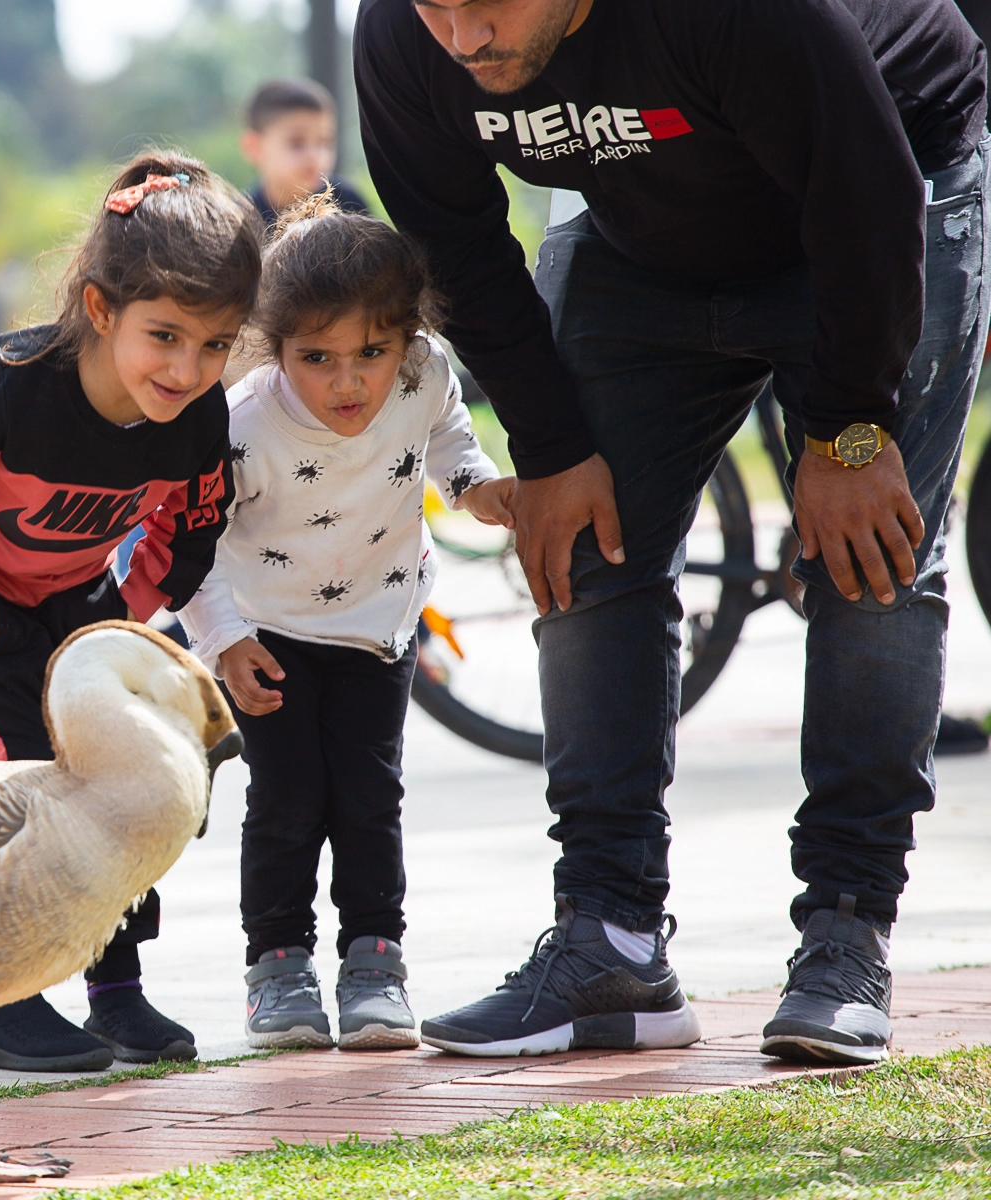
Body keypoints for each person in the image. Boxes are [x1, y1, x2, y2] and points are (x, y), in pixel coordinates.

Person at [355, 0, 986, 1063]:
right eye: (438, 7)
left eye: (489, 4)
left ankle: (845, 933)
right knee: (581, 547)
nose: (462, 38)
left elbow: (866, 194)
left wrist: (846, 432)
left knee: (869, 559)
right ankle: (609, 941)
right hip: (642, 238)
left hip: (882, 194)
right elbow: (454, 243)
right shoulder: (403, 36)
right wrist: (550, 446)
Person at [0, 151, 260, 1071]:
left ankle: (115, 996)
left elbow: (189, 531)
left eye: (214, 344)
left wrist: (127, 621)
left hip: (81, 607)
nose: (188, 368)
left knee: (120, 783)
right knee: (24, 784)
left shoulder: (195, 418)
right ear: (99, 308)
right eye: (164, 335)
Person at [181, 196, 512, 1050]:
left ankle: (375, 964)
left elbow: (446, 436)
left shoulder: (424, 372)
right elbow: (193, 546)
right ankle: (279, 967)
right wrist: (223, 643)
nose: (348, 381)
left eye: (372, 352)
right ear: (276, 345)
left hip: (381, 621)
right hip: (268, 636)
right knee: (288, 802)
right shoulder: (245, 426)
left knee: (370, 798)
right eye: (316, 358)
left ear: (406, 338)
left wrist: (477, 487)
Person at [241, 79, 374, 230]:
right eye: (296, 143)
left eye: (325, 142)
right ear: (254, 147)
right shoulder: (242, 221)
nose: (314, 156)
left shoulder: (349, 205)